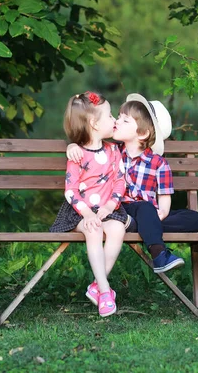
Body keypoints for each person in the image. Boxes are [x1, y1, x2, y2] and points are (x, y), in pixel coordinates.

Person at [68, 93, 198, 274]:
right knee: (145, 208)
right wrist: (72, 146)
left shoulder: (159, 163)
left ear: (143, 133)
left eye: (125, 120)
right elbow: (89, 143)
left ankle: (145, 225)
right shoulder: (112, 151)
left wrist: (160, 214)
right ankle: (159, 254)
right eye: (118, 116)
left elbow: (164, 200)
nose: (116, 120)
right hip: (118, 208)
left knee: (194, 219)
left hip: (146, 213)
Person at [50, 91, 126, 317]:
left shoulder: (113, 151)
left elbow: (120, 182)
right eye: (110, 116)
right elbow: (71, 191)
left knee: (118, 228)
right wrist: (87, 214)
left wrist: (110, 207)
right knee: (93, 230)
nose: (114, 120)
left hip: (107, 211)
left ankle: (96, 286)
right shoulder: (77, 154)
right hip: (79, 213)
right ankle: (104, 292)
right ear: (93, 123)